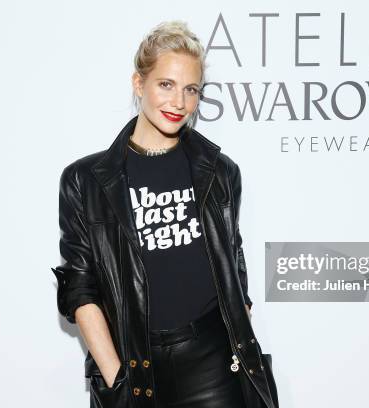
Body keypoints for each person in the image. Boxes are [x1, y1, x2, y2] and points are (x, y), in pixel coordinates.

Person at [51, 20, 279, 408]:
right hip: (134, 368)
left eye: (191, 89)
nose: (179, 103)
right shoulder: (85, 181)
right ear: (139, 84)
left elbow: (233, 266)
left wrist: (239, 334)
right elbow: (80, 288)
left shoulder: (220, 173)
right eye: (166, 85)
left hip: (214, 364)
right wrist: (118, 377)